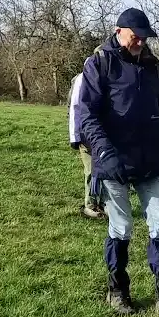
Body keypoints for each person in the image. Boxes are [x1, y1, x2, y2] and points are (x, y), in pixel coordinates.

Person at [75, 9, 159, 317]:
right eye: (134, 36)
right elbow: (87, 115)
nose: (140, 42)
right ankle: (118, 289)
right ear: (119, 31)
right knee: (121, 227)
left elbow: (158, 109)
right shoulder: (99, 62)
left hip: (151, 159)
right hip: (112, 161)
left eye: (144, 37)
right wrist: (104, 151)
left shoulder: (154, 66)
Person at [69, 70, 105, 219]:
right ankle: (90, 205)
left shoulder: (109, 75)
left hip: (104, 133)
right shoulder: (82, 79)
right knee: (91, 170)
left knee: (105, 170)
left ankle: (104, 203)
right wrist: (75, 136)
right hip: (86, 135)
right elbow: (74, 108)